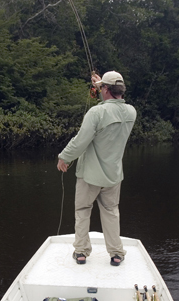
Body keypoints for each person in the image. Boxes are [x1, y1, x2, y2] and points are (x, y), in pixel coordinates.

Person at [57, 71, 137, 266]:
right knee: (111, 212)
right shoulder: (131, 112)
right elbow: (111, 110)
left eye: (102, 88)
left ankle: (82, 252)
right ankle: (116, 253)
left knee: (83, 210)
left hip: (90, 176)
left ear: (106, 90)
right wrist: (101, 83)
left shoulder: (96, 112)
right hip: (113, 176)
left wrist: (64, 157)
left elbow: (80, 141)